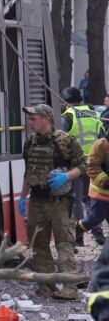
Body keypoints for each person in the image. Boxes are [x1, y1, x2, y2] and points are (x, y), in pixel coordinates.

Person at [18, 103, 86, 300]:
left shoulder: (64, 141)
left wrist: (67, 177)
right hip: (37, 201)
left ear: (46, 119)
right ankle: (46, 285)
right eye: (30, 119)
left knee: (64, 243)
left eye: (33, 119)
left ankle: (70, 288)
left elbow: (83, 164)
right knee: (38, 244)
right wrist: (23, 196)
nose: (30, 123)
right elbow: (28, 172)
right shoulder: (30, 142)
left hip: (60, 203)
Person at [60, 86, 104, 245]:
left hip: (76, 164)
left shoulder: (67, 116)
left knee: (76, 199)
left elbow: (61, 140)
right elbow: (102, 138)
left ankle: (78, 236)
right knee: (91, 198)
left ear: (65, 102)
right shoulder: (94, 114)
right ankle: (98, 231)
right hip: (95, 163)